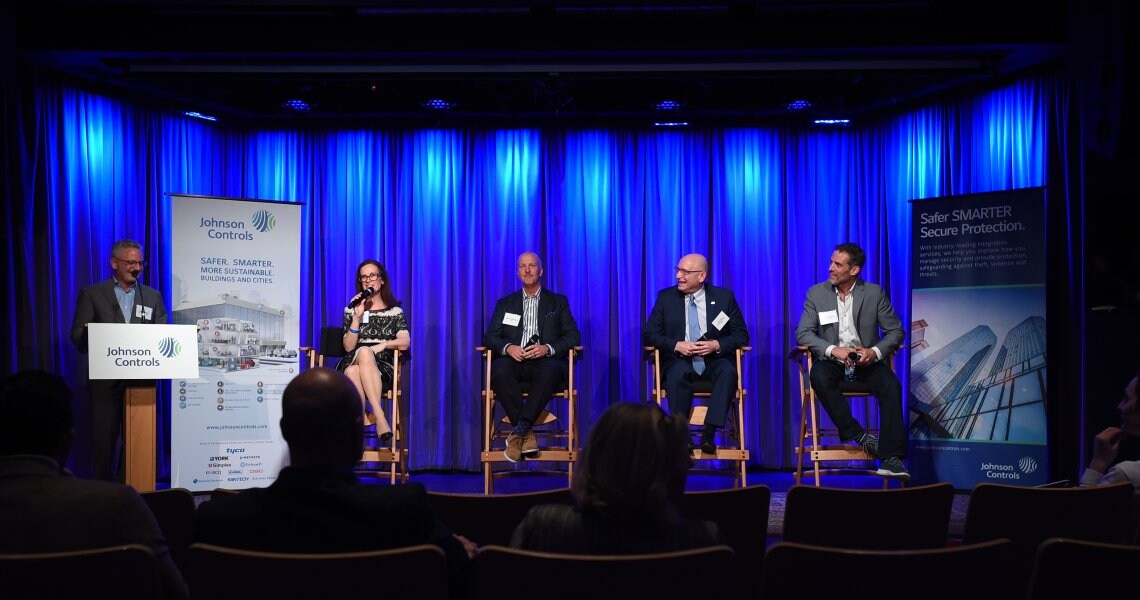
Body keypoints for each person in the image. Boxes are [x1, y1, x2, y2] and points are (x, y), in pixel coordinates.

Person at [194, 368, 470, 581]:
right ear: (357, 433)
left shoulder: (220, 519)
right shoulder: (406, 511)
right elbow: (460, 578)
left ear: (285, 430)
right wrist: (461, 554)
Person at [0, 370, 189, 600]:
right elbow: (175, 593)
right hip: (105, 371)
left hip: (143, 367)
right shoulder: (118, 506)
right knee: (104, 445)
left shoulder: (118, 505)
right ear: (69, 440)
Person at [510, 402, 720, 553]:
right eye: (682, 457)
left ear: (596, 456)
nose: (690, 464)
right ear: (662, 469)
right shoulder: (702, 541)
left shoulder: (542, 528)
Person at [795, 242, 908, 480]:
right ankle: (859, 435)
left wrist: (875, 352)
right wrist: (833, 350)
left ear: (854, 270)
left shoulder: (874, 293)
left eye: (837, 264)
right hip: (833, 363)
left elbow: (896, 332)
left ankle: (891, 458)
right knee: (818, 375)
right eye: (831, 262)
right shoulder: (816, 293)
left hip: (866, 362)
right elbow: (803, 333)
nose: (830, 268)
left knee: (891, 385)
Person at [69, 238, 169, 480]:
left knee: (139, 439)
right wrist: (90, 334)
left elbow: (163, 333)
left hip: (142, 380)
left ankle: (135, 487)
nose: (136, 268)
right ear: (114, 263)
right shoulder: (93, 294)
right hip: (105, 381)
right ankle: (103, 491)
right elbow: (76, 334)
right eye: (130, 263)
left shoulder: (152, 296)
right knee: (104, 439)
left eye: (140, 263)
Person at [643, 253, 749, 454]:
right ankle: (683, 436)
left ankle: (709, 433)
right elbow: (650, 334)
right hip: (679, 360)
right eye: (678, 270)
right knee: (676, 374)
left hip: (713, 360)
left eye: (685, 272)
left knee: (728, 371)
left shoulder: (723, 298)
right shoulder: (666, 298)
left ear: (701, 276)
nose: (679, 276)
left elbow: (741, 335)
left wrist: (717, 344)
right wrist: (676, 345)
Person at [482, 251, 581, 463]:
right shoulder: (505, 304)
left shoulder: (557, 302)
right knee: (498, 371)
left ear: (541, 271)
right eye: (522, 266)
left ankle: (519, 431)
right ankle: (524, 433)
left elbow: (573, 335)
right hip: (514, 362)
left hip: (545, 363)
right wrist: (508, 347)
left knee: (549, 371)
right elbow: (490, 337)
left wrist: (547, 348)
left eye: (532, 266)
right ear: (518, 273)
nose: (527, 270)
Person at [337, 259, 409, 444]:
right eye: (363, 277)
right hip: (353, 358)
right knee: (361, 353)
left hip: (382, 366)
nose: (368, 280)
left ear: (382, 279)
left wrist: (383, 345)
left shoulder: (394, 311)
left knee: (357, 366)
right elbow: (348, 347)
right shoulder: (352, 309)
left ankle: (356, 436)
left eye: (372, 275)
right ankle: (381, 416)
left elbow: (405, 342)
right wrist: (356, 318)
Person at [1080, 371, 1140, 490]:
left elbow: (1080, 506)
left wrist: (1098, 463)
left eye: (1127, 399)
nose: (1120, 406)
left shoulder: (1126, 474)